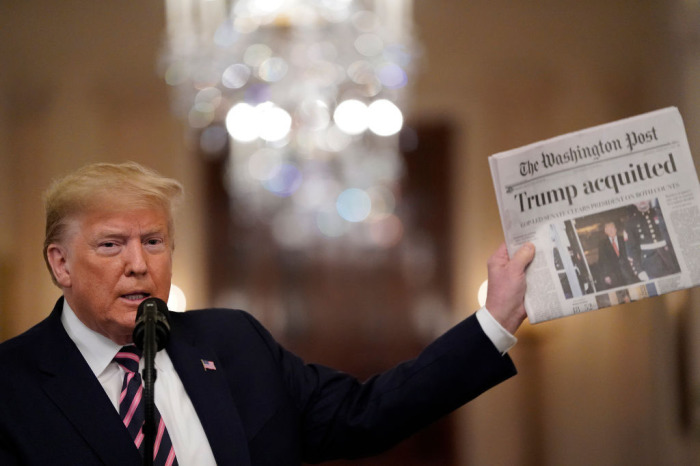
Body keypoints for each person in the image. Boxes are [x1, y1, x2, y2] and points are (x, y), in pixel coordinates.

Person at [0, 162, 535, 465]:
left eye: (154, 241)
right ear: (61, 263)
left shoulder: (233, 342)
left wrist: (494, 323)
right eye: (112, 245)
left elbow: (363, 414)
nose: (139, 265)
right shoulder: (13, 385)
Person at [624, 200, 680, 281]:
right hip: (650, 264)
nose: (642, 200)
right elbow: (632, 250)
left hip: (670, 258)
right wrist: (639, 271)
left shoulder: (661, 214)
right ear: (633, 202)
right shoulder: (631, 223)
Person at [596, 221, 637, 290]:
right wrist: (606, 275)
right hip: (614, 275)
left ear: (616, 229)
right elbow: (602, 261)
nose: (611, 230)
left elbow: (632, 253)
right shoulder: (602, 245)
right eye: (608, 229)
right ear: (605, 231)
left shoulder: (623, 239)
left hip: (629, 272)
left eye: (612, 228)